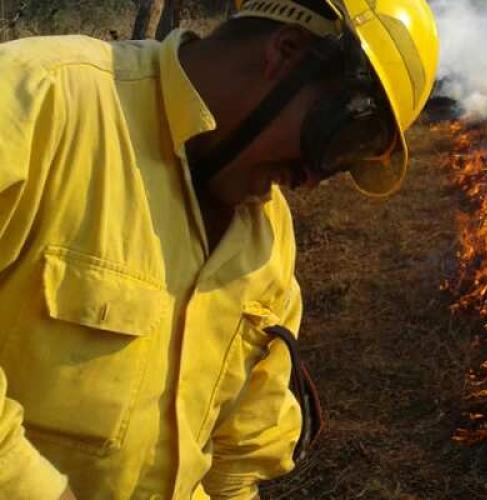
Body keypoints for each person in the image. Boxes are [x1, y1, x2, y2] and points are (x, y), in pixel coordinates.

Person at [0, 0, 439, 498]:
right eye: (340, 138)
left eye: (347, 161)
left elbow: (240, 458)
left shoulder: (268, 242)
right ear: (285, 52)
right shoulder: (39, 102)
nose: (313, 179)